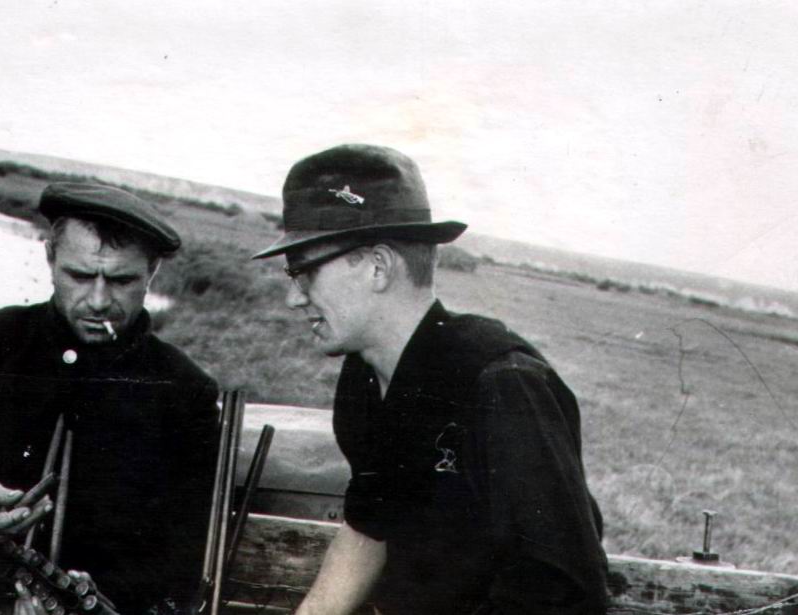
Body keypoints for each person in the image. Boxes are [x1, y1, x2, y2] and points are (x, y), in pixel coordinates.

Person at [253, 144, 608, 614]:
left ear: (378, 267)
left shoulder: (502, 384)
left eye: (305, 273)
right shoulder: (364, 379)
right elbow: (369, 528)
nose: (293, 298)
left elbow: (566, 590)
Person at [0, 183, 219, 615]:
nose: (98, 301)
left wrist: (95, 600)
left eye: (121, 280)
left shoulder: (186, 392)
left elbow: (183, 553)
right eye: (79, 276)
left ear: (152, 271)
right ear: (50, 258)